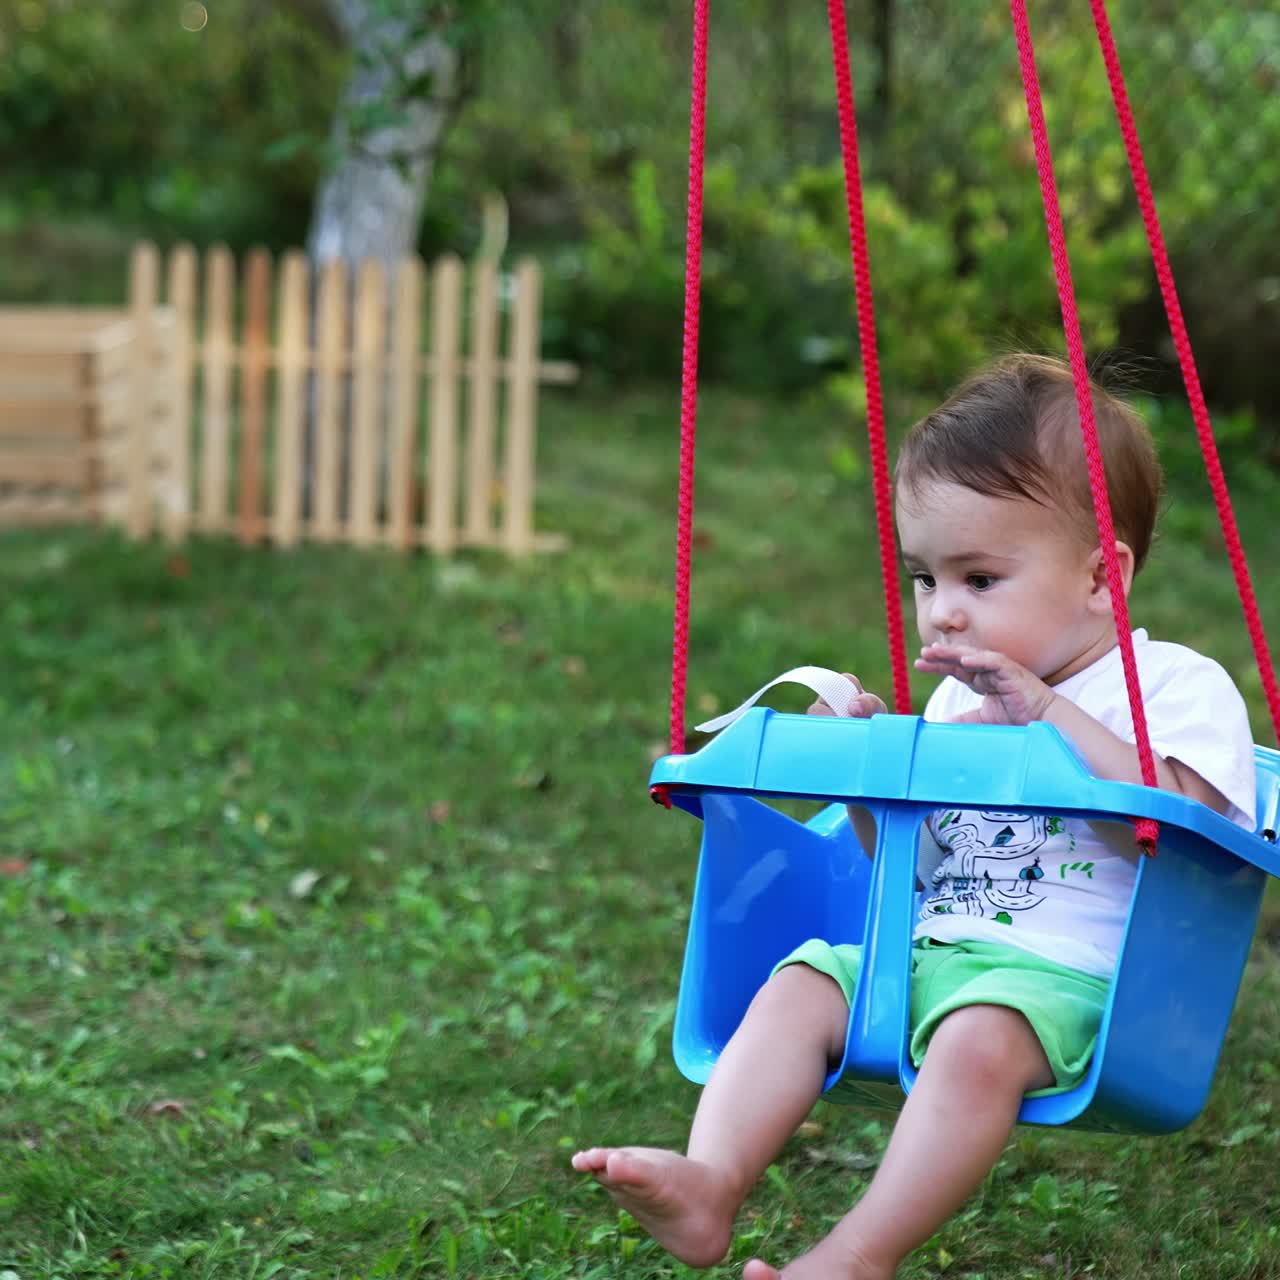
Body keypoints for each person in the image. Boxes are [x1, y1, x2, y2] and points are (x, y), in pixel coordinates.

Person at [570, 354, 1257, 1279]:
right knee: (799, 984)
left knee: (978, 1033)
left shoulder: (1175, 688)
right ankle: (709, 1179)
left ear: (1103, 577)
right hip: (925, 956)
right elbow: (914, 867)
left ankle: (855, 1256)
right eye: (926, 579)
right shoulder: (950, 709)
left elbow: (1188, 827)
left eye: (979, 579)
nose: (944, 614)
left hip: (1069, 983)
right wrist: (866, 778)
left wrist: (1047, 714)